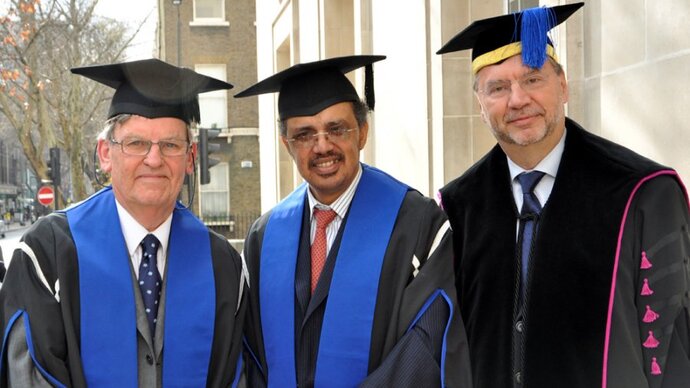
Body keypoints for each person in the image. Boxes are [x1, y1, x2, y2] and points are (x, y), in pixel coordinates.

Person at [437, 3, 690, 387]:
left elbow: (672, 345)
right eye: (498, 88)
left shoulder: (641, 193)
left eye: (533, 79)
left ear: (564, 85)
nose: (517, 100)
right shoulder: (458, 206)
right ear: (480, 105)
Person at [0, 58, 247, 387]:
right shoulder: (49, 253)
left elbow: (234, 376)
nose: (154, 159)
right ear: (105, 153)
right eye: (136, 143)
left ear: (190, 159)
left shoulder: (222, 264)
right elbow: (27, 375)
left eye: (171, 145)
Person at [235, 55, 472, 387]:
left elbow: (425, 343)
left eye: (336, 129)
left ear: (362, 132)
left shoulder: (417, 224)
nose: (322, 146)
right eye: (304, 135)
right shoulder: (264, 237)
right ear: (286, 144)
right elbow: (251, 353)